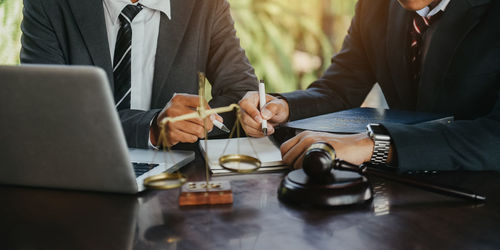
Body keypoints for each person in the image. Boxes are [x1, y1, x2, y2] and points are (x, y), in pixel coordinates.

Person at [239, 0, 500, 172]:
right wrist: (283, 106)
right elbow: (341, 87)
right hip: (402, 198)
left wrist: (374, 145)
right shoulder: (375, 7)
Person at [20, 0, 258, 148]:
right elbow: (45, 116)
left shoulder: (206, 5)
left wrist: (195, 126)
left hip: (176, 185)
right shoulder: (48, 5)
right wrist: (151, 128)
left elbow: (240, 93)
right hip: (79, 172)